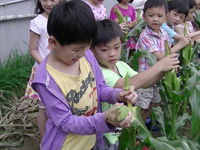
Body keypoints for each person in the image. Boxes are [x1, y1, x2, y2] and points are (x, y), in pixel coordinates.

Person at [31, 1, 138, 150]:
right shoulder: (46, 80)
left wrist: (118, 95)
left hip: (92, 140)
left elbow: (99, 87)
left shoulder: (86, 55)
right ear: (53, 43)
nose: (83, 53)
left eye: (88, 46)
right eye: (77, 49)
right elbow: (66, 122)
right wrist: (104, 119)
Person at [90, 19, 180, 148]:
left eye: (117, 47)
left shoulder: (121, 65)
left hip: (123, 128)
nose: (112, 54)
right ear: (92, 50)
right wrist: (159, 66)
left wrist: (162, 74)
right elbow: (130, 84)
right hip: (107, 135)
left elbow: (145, 83)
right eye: (104, 50)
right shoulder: (100, 73)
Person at [136, 0, 190, 131]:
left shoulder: (164, 34)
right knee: (143, 106)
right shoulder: (145, 36)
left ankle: (145, 127)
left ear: (166, 16)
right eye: (151, 15)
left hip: (158, 80)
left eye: (159, 16)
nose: (155, 19)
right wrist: (180, 45)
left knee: (153, 104)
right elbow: (160, 56)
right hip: (146, 80)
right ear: (143, 16)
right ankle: (138, 131)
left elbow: (169, 55)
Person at [24, 0, 62, 142]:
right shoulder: (37, 22)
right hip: (44, 72)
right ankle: (45, 140)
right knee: (44, 107)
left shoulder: (64, 19)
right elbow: (33, 50)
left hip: (62, 70)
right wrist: (46, 65)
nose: (48, 3)